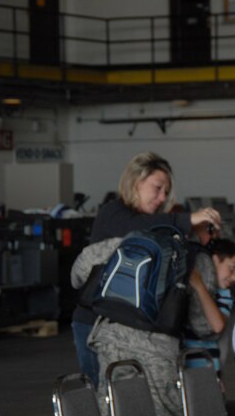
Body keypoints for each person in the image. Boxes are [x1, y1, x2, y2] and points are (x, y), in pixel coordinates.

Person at [70, 152, 220, 398]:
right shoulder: (113, 213)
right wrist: (186, 219)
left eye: (165, 192)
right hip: (93, 322)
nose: (162, 198)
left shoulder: (155, 225)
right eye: (158, 188)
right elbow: (134, 231)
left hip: (131, 326)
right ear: (136, 182)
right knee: (104, 396)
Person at [182, 237, 235, 377]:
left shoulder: (225, 295)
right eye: (232, 268)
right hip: (184, 363)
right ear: (215, 260)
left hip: (208, 367)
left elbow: (217, 325)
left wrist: (199, 286)